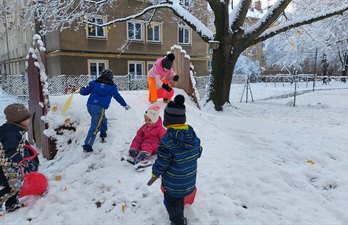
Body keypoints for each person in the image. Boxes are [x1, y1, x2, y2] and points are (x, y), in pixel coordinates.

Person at [147, 95, 202, 225]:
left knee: (171, 203)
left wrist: (155, 172)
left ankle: (178, 221)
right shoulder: (192, 134)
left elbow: (162, 163)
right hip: (189, 182)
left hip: (173, 185)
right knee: (179, 199)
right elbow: (198, 152)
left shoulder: (167, 140)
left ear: (167, 120)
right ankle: (180, 210)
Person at [80, 69, 130, 152]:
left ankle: (103, 132)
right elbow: (118, 97)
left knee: (103, 119)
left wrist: (81, 89)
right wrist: (124, 104)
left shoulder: (93, 83)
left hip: (90, 106)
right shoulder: (112, 87)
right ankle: (88, 144)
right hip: (99, 108)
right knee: (95, 126)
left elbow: (84, 92)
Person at [0, 103, 38, 213]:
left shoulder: (14, 129)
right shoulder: (12, 133)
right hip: (6, 165)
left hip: (11, 163)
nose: (29, 120)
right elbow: (10, 151)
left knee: (16, 182)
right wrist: (22, 161)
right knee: (14, 186)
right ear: (18, 120)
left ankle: (12, 204)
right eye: (26, 118)